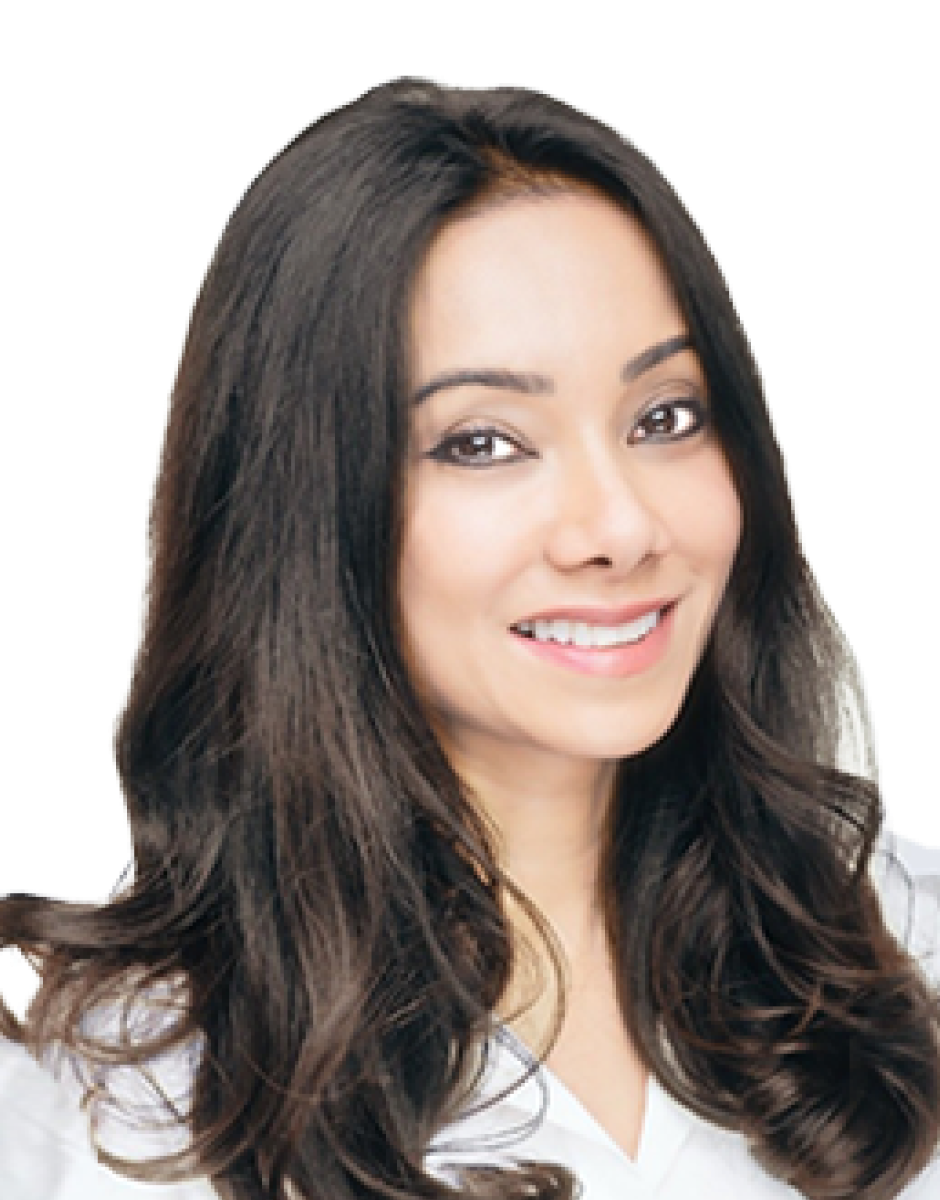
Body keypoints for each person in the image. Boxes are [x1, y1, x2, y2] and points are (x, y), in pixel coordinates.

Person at [1, 75, 938, 1200]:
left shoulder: (906, 943)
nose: (621, 528)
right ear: (306, 509)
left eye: (665, 417)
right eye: (482, 442)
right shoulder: (104, 1111)